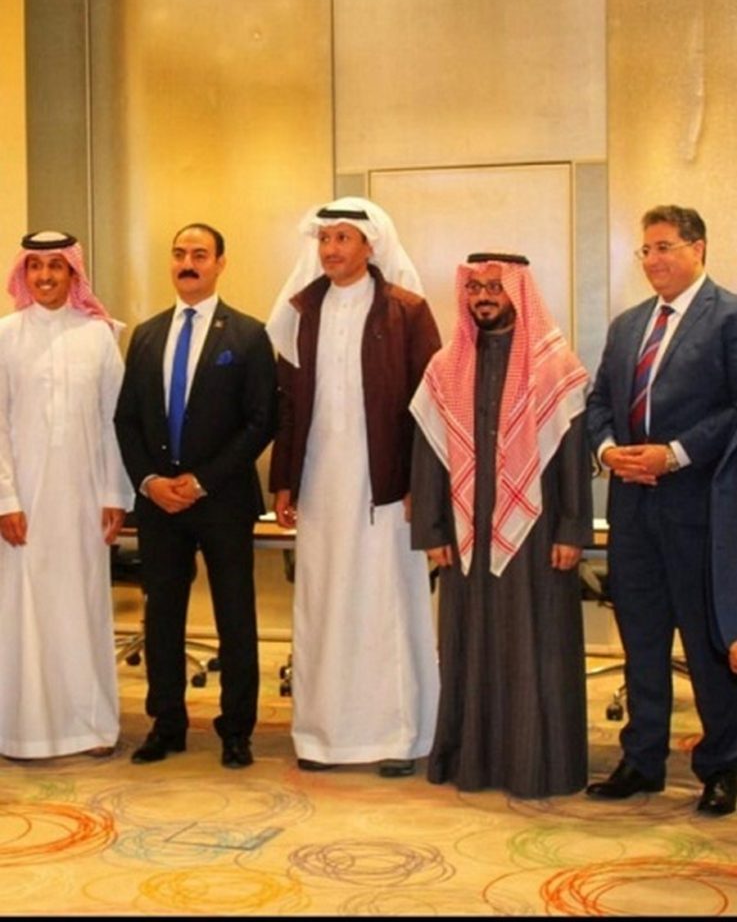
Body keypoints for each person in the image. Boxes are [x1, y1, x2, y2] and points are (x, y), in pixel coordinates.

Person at [267, 196, 441, 777]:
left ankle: (398, 737)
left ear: (371, 245)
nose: (331, 249)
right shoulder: (301, 311)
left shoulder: (407, 311)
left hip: (386, 489)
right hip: (320, 484)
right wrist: (284, 480)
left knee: (387, 604)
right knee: (323, 605)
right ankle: (323, 737)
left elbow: (428, 406)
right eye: (324, 239)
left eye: (343, 237)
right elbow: (288, 405)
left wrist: (419, 483)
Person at [409, 252, 592, 798]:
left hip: (538, 533)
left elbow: (572, 455)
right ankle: (473, 762)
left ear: (518, 291)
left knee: (537, 644)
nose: (483, 297)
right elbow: (429, 456)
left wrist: (572, 529)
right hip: (465, 530)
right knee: (469, 644)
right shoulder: (446, 367)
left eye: (495, 286)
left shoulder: (554, 365)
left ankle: (539, 765)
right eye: (475, 287)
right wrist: (433, 532)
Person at [586, 204, 737, 815]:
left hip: (700, 510)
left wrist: (673, 455)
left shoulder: (728, 317)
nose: (653, 260)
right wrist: (608, 450)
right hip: (632, 511)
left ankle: (722, 765)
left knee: (706, 645)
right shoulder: (628, 326)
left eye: (664, 247)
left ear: (698, 248)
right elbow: (599, 401)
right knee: (641, 639)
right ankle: (642, 760)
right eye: (645, 250)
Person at [114, 222, 277, 769]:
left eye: (200, 254)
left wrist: (203, 480)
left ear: (220, 263)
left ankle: (236, 730)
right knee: (162, 616)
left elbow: (261, 421)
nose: (188, 263)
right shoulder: (147, 335)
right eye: (180, 253)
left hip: (223, 499)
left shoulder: (248, 335)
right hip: (159, 502)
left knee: (235, 617)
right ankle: (167, 724)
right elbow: (126, 418)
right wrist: (149, 481)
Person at [0, 229, 134, 759]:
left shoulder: (98, 336)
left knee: (82, 610)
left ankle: (90, 727)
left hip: (83, 500)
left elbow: (113, 422)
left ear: (73, 274)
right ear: (24, 274)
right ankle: (23, 730)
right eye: (36, 267)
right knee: (25, 612)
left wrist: (114, 492)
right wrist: (6, 500)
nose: (46, 276)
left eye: (56, 267)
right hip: (25, 504)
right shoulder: (6, 335)